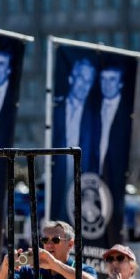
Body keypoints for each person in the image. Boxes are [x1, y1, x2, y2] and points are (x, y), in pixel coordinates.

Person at [0, 220, 99, 279]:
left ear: (70, 244)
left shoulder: (84, 269)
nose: (49, 245)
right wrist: (5, 267)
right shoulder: (29, 270)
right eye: (45, 240)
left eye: (55, 240)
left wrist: (54, 264)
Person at [51, 57, 100, 220]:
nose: (84, 85)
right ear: (71, 78)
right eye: (81, 78)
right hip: (55, 180)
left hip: (81, 183)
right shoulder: (55, 108)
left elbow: (95, 154)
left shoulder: (94, 116)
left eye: (88, 81)